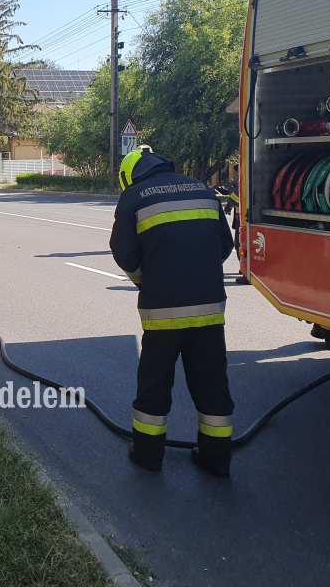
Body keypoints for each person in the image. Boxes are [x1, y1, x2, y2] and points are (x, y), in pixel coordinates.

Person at [110, 146, 236, 478]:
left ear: (128, 176)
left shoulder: (135, 196)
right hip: (209, 307)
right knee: (211, 382)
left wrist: (146, 280)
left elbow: (123, 252)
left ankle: (148, 455)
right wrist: (197, 274)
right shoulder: (203, 189)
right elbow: (224, 245)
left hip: (163, 310)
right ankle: (217, 458)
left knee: (155, 382)